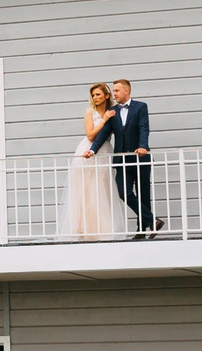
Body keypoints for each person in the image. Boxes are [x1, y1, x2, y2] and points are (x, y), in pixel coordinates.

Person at [103, 78, 158, 235]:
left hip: (140, 158)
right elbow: (104, 134)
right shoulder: (112, 111)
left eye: (117, 90)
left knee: (143, 195)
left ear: (127, 91)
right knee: (124, 192)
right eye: (113, 91)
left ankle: (142, 230)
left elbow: (143, 127)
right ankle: (152, 221)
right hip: (122, 160)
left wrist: (142, 146)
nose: (114, 93)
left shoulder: (140, 107)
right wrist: (92, 150)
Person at [68, 82, 115, 238]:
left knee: (103, 189)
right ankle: (85, 229)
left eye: (98, 94)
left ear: (106, 96)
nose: (95, 98)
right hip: (89, 149)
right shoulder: (90, 112)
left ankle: (103, 228)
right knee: (88, 190)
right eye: (93, 95)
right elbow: (90, 135)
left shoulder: (112, 112)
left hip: (105, 150)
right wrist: (103, 120)